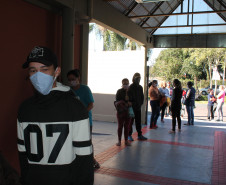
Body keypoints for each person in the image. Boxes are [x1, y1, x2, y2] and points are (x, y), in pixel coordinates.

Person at [17, 46, 94, 185]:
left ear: (57, 71)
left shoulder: (75, 108)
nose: (37, 75)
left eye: (44, 69)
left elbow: (84, 160)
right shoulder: (24, 109)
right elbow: (23, 155)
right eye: (33, 70)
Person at [67, 69, 100, 169]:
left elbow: (91, 104)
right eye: (69, 80)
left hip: (85, 121)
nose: (71, 81)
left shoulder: (85, 89)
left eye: (73, 79)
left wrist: (82, 114)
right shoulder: (68, 90)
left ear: (78, 78)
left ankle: (92, 160)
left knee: (87, 142)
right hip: (72, 122)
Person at [128, 73, 147, 141]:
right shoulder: (131, 87)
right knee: (130, 122)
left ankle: (139, 135)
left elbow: (142, 97)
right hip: (132, 108)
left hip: (138, 107)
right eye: (137, 78)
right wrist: (132, 104)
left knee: (138, 122)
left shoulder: (140, 87)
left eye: (139, 78)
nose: (138, 79)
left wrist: (140, 104)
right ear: (134, 78)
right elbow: (129, 97)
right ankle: (129, 135)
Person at [115, 78, 132, 146]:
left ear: (129, 84)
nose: (125, 85)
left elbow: (133, 100)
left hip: (128, 111)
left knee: (127, 126)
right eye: (124, 84)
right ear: (122, 84)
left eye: (127, 83)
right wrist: (124, 102)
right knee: (120, 126)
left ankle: (126, 140)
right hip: (121, 112)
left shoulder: (131, 91)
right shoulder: (119, 91)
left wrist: (130, 102)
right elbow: (117, 100)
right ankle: (119, 140)